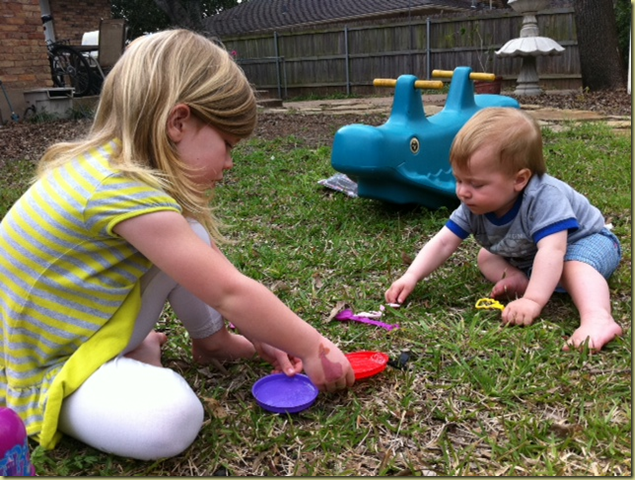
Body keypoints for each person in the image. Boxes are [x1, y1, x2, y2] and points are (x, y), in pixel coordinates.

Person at [0, 29, 354, 461]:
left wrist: (261, 334)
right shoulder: (117, 188)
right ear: (178, 122)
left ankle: (211, 341)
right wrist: (313, 347)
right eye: (227, 144)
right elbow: (229, 291)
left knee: (192, 235)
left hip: (80, 329)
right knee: (171, 419)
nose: (229, 163)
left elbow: (208, 268)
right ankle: (131, 358)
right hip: (48, 368)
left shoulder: (110, 169)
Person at [385, 107, 623, 353]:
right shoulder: (472, 206)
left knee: (573, 265)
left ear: (519, 180)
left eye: (476, 184)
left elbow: (553, 251)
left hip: (587, 243)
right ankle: (520, 279)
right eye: (459, 180)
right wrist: (411, 275)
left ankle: (598, 318)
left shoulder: (544, 197)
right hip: (532, 256)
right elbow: (444, 242)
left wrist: (532, 300)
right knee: (486, 256)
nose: (463, 192)